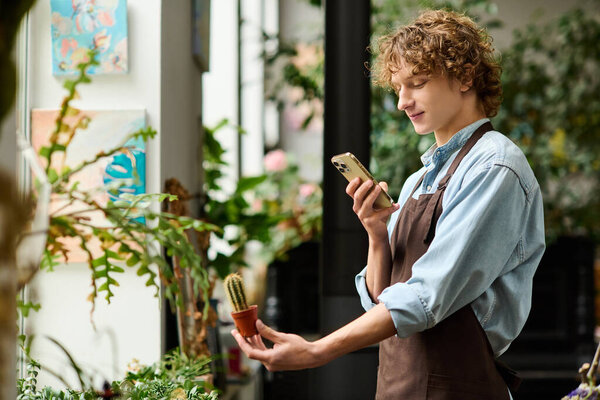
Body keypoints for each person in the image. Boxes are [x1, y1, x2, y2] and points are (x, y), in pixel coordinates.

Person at [231, 9, 545, 399]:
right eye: (397, 87)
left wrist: (317, 351)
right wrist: (377, 237)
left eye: (417, 83)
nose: (402, 102)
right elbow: (381, 302)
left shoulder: (495, 167)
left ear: (465, 77)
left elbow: (426, 297)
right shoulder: (418, 181)